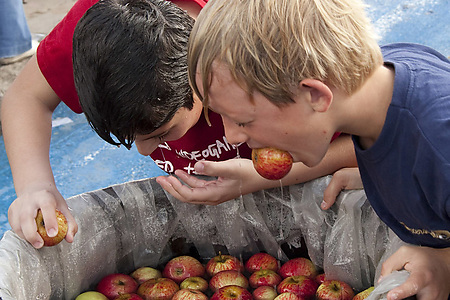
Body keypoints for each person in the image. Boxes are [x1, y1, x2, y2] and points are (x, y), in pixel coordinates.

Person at [2, 0, 356, 250]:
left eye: (161, 133)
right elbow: (25, 97)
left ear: (205, 78)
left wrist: (263, 175)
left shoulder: (269, 46)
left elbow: (373, 140)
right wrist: (36, 186)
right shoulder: (101, 31)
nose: (146, 151)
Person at [187, 0, 450, 299]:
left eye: (242, 121)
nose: (231, 137)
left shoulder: (440, 146)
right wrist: (378, 170)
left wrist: (444, 263)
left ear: (315, 95)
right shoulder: (379, 88)